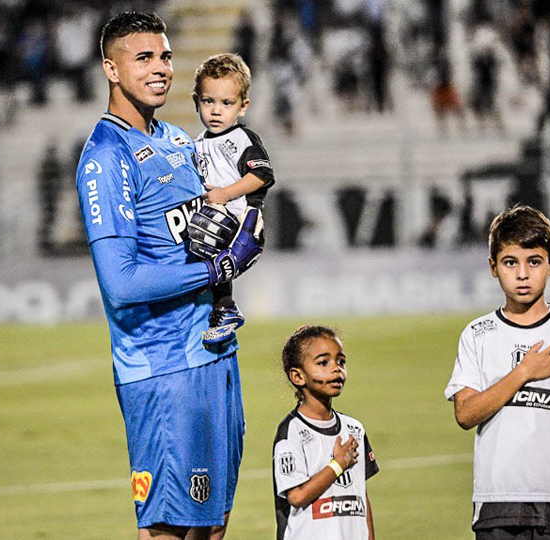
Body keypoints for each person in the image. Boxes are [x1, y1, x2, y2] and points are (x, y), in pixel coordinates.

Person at [75, 12, 265, 540]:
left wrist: (243, 232)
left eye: (165, 56)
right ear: (111, 69)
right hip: (162, 366)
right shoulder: (106, 158)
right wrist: (217, 266)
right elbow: (122, 283)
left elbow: (206, 230)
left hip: (215, 352)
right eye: (144, 58)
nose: (160, 69)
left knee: (212, 524)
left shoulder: (182, 140)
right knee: (168, 530)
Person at [444, 205, 550, 540]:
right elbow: (465, 413)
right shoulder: (478, 335)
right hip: (498, 500)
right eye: (511, 262)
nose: (522, 274)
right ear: (493, 267)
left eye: (533, 261)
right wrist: (522, 373)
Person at [190, 52, 275, 345]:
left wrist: (224, 194)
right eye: (208, 101)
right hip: (216, 219)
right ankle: (219, 307)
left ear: (242, 107)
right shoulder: (197, 144)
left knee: (212, 239)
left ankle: (226, 308)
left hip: (243, 220)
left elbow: (261, 176)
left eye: (227, 103)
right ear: (196, 101)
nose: (216, 110)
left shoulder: (243, 139)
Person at [272, 325, 379, 540]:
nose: (336, 369)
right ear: (298, 376)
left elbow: (361, 496)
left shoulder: (354, 429)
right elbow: (297, 495)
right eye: (323, 362)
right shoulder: (291, 431)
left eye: (341, 361)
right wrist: (338, 464)